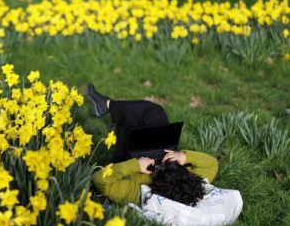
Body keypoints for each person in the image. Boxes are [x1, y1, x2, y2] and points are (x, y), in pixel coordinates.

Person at [87, 83, 218, 206]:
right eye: (168, 165)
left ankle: (109, 105)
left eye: (158, 171)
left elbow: (100, 180)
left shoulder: (137, 193)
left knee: (132, 121)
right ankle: (108, 105)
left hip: (129, 158)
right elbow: (212, 164)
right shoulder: (186, 184)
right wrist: (183, 157)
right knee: (155, 112)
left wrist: (136, 165)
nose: (159, 164)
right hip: (162, 156)